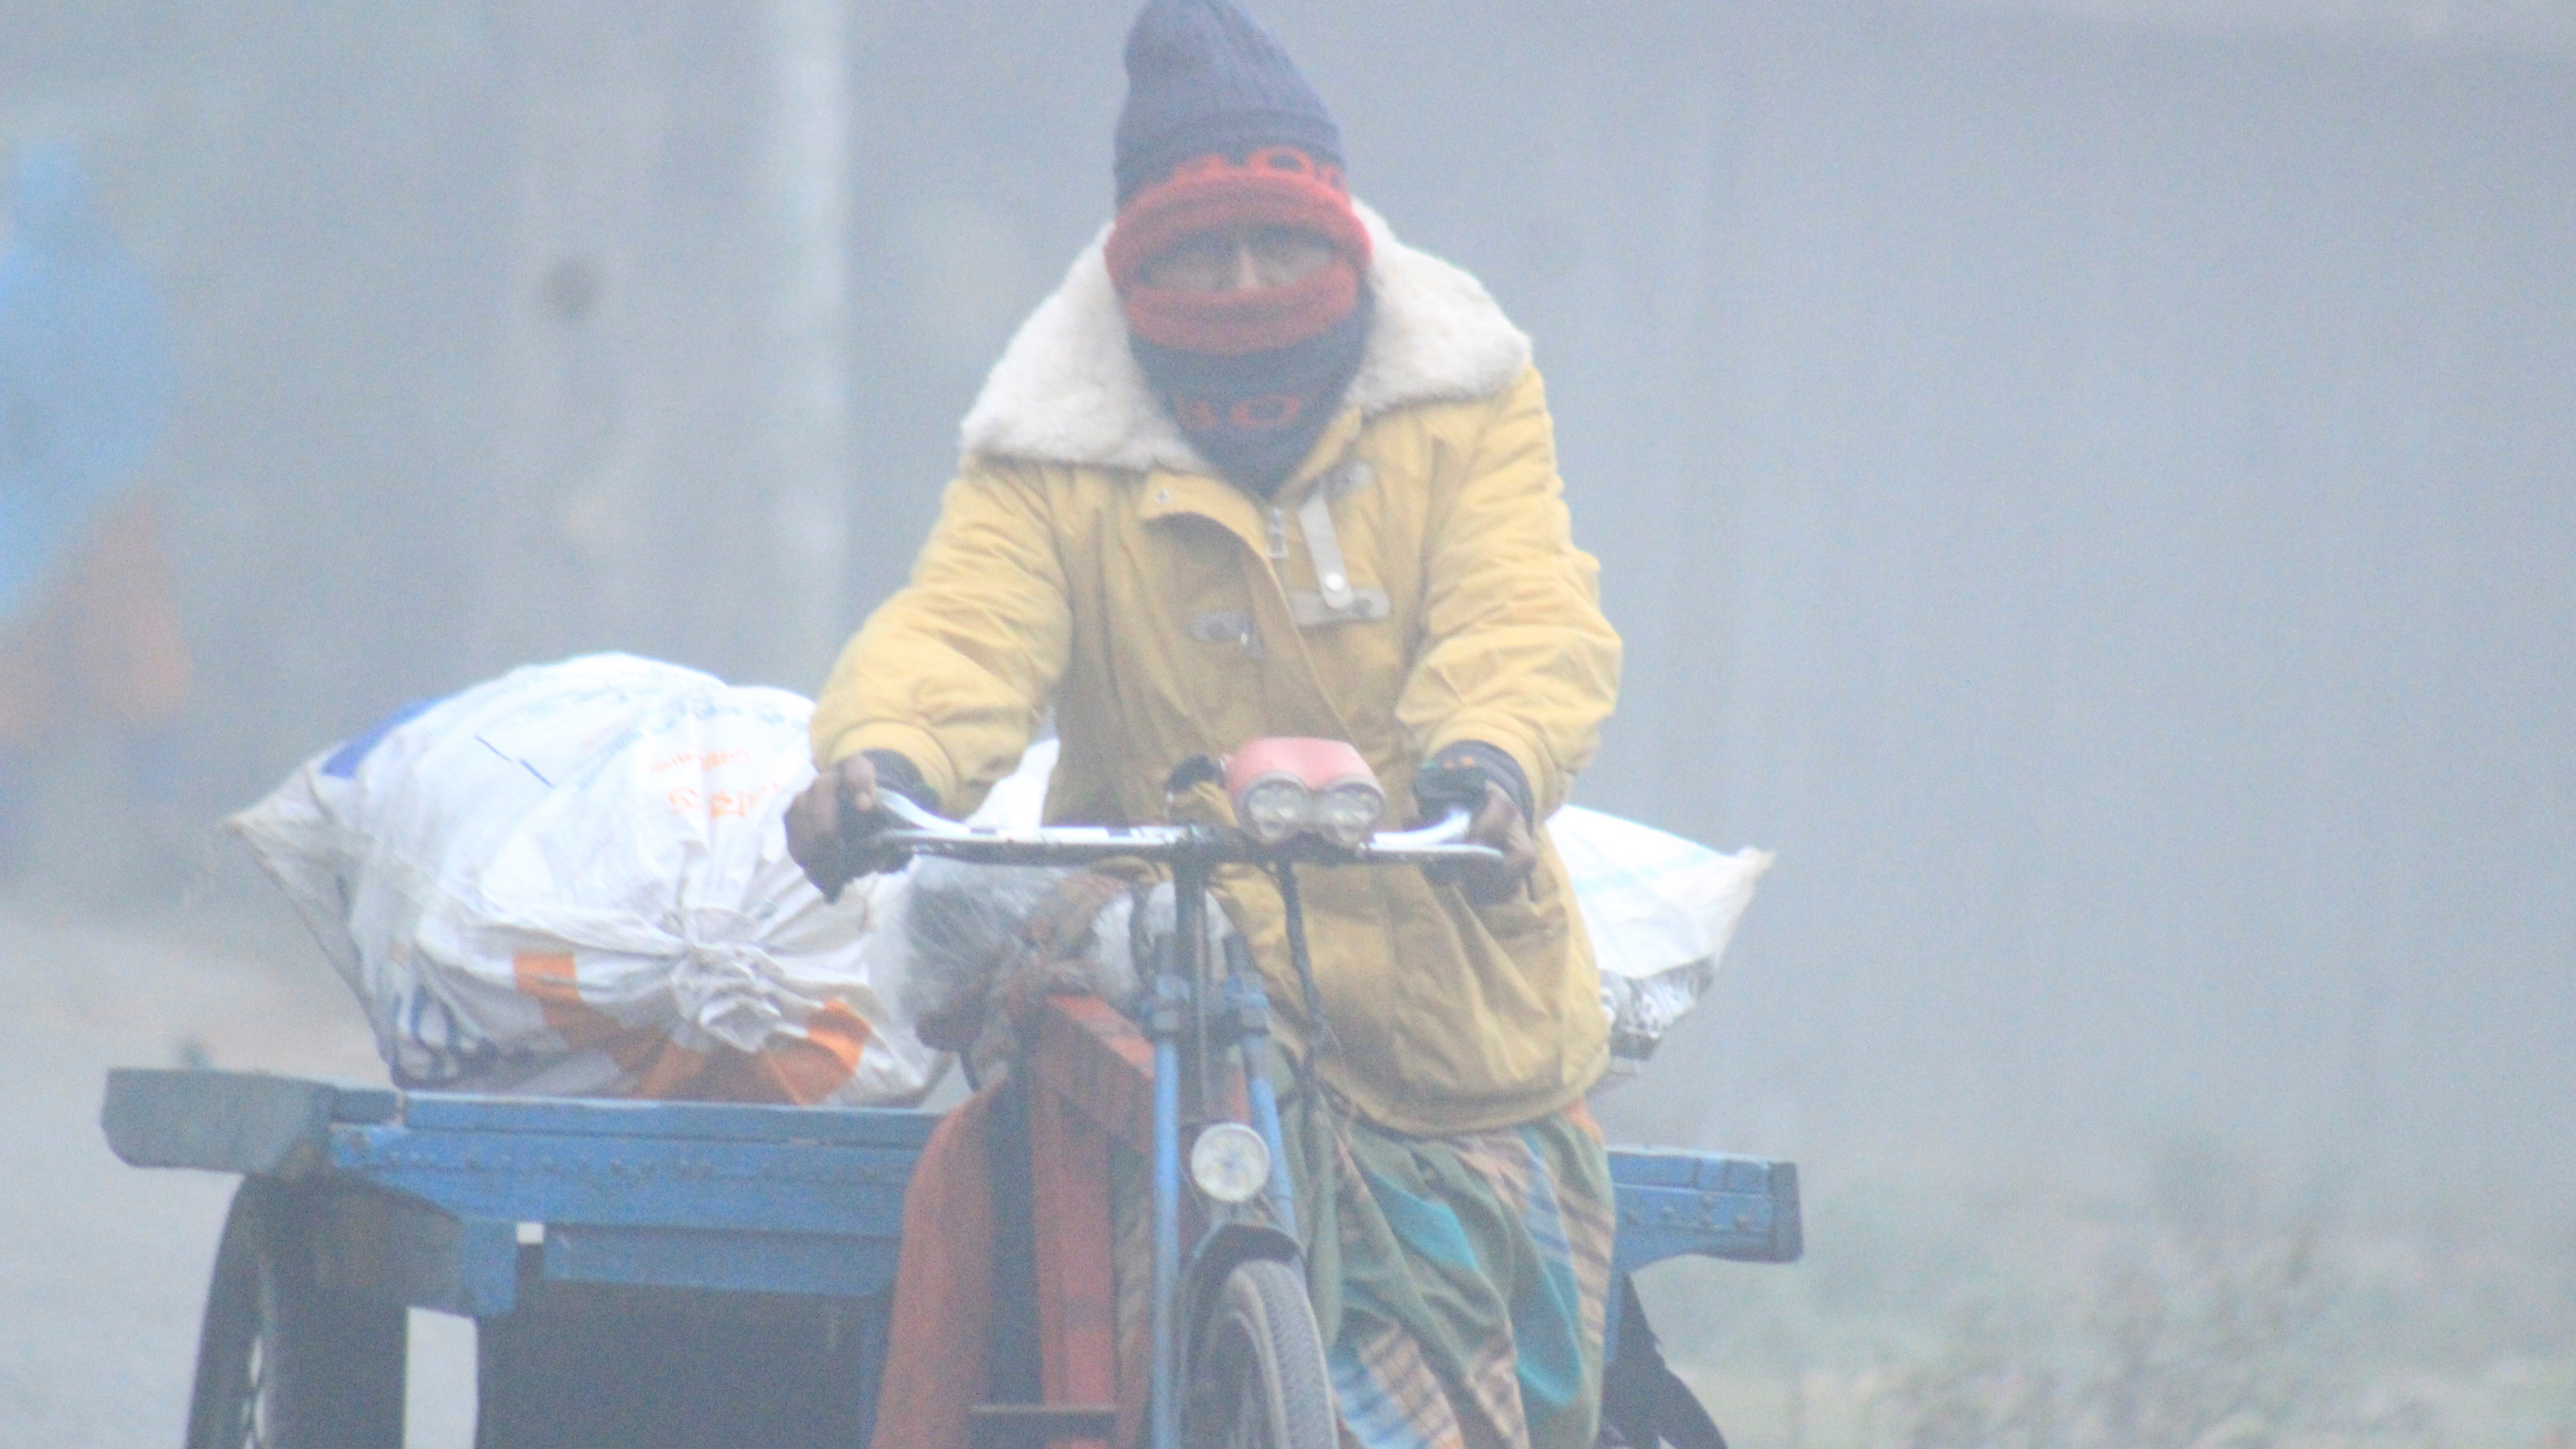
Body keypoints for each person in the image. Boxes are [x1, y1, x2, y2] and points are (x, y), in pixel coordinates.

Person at [788, 4, 1623, 1446]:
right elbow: (964, 628)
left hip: (1453, 986)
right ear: (1135, 271)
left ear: (1344, 238)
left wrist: (1488, 759)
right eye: (1197, 251)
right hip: (1183, 979)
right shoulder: (1053, 450)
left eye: (1278, 241)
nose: (1242, 280)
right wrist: (885, 755)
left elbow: (1523, 611)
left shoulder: (1468, 401)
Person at [0, 143, 189, 871]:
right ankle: (159, 821)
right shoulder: (125, 288)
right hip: (123, 509)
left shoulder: (14, 287)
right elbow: (159, 395)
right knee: (140, 665)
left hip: (30, 517)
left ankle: (13, 836)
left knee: (19, 670)